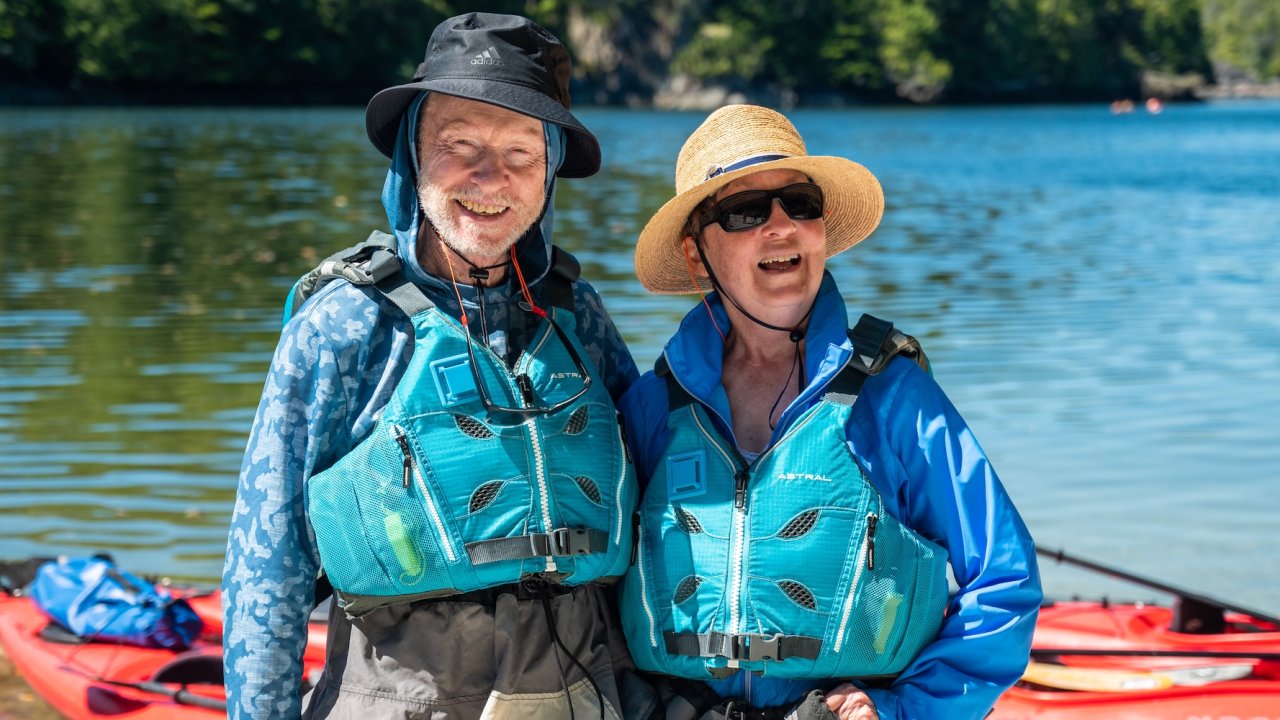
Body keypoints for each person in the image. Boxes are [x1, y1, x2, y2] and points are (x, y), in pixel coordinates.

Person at [222, 13, 641, 720]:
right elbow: (269, 563)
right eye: (460, 144)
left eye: (521, 153)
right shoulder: (346, 326)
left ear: (548, 176)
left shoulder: (580, 320)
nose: (492, 178)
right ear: (413, 157)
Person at [616, 104, 1043, 719]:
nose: (782, 226)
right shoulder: (653, 405)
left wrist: (904, 708)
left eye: (800, 203)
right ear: (695, 254)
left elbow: (1005, 581)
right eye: (745, 212)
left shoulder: (892, 397)